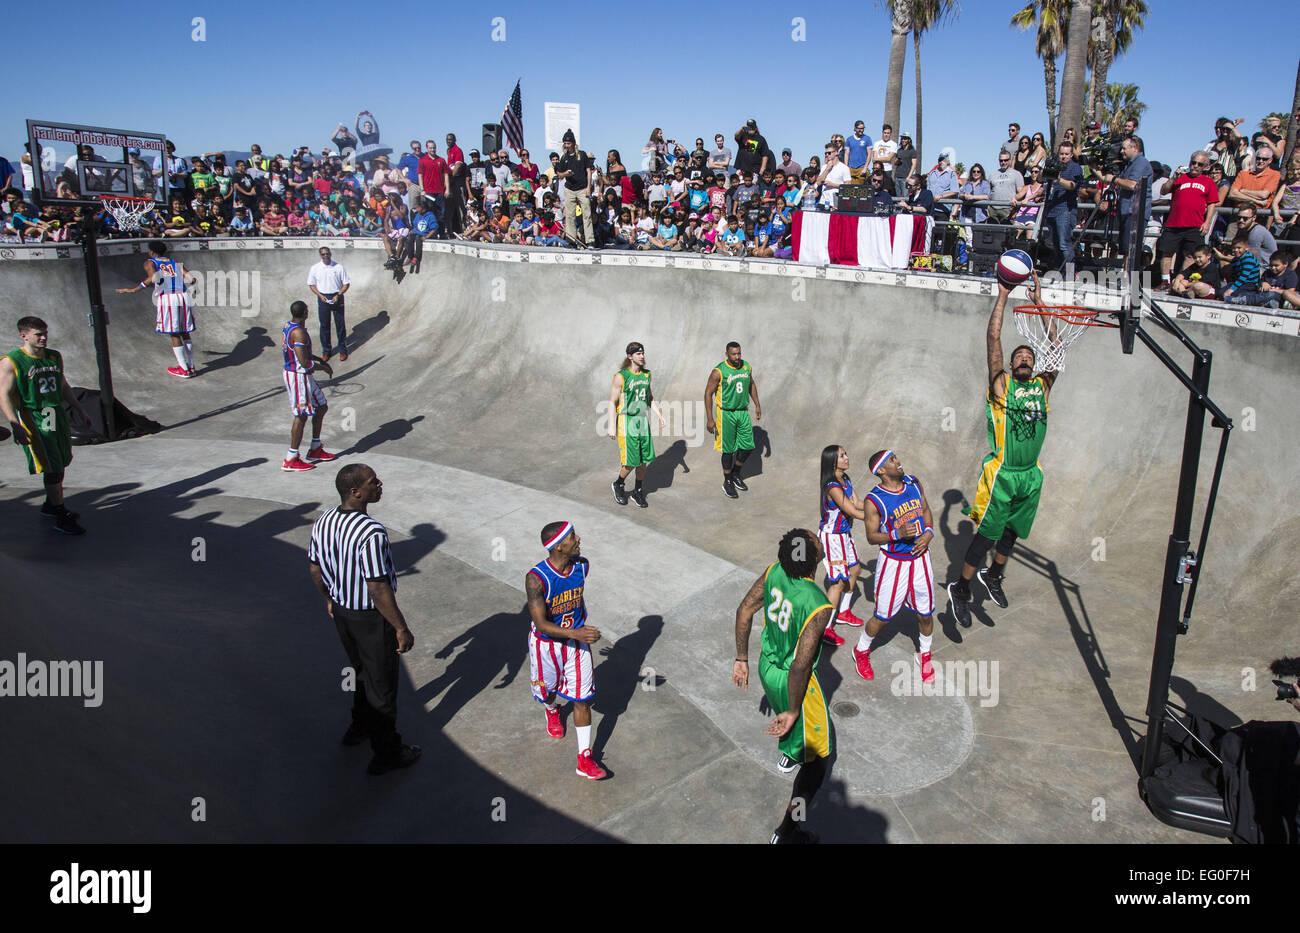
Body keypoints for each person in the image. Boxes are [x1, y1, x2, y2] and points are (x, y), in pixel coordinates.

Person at [948, 272, 1054, 628]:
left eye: (1028, 355)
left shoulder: (1043, 386)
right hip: (1002, 474)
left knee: (1013, 533)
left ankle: (993, 575)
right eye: (1018, 356)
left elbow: (1055, 348)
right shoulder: (1001, 387)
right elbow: (993, 338)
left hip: (1031, 475)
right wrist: (1004, 294)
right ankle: (960, 588)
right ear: (1010, 365)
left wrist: (1040, 304)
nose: (1024, 358)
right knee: (988, 535)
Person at [309, 464, 419, 775]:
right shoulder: (371, 532)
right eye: (373, 482)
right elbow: (377, 587)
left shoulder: (323, 521)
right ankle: (387, 752)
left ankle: (358, 727)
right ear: (356, 492)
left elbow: (315, 570)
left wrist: (330, 599)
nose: (380, 484)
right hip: (371, 619)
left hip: (342, 614)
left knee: (360, 672)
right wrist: (400, 628)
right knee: (382, 685)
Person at [731, 528, 835, 844]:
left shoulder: (774, 570)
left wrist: (741, 658)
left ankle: (789, 752)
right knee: (818, 764)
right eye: (814, 542)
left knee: (796, 737)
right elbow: (801, 664)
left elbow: (744, 610)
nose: (817, 539)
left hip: (766, 666)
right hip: (791, 680)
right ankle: (788, 831)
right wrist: (792, 709)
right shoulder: (817, 604)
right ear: (813, 559)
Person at [525, 521, 608, 780]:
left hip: (576, 645)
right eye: (573, 537)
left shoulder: (582, 566)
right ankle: (552, 709)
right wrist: (576, 632)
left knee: (582, 699)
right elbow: (541, 624)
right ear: (559, 546)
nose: (578, 539)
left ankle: (584, 757)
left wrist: (577, 635)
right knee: (546, 690)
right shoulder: (536, 578)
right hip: (546, 646)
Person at [1, 316, 91, 534]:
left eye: (45, 333)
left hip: (54, 414)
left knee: (62, 460)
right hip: (34, 418)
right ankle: (60, 514)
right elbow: (3, 395)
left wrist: (79, 409)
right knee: (52, 465)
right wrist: (15, 425)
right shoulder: (12, 361)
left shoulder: (54, 356)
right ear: (24, 336)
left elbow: (63, 384)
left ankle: (50, 504)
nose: (43, 338)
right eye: (38, 334)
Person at [854, 451, 936, 684]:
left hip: (920, 559)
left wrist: (929, 532)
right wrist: (896, 534)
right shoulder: (874, 500)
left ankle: (925, 654)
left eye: (897, 458)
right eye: (892, 460)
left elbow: (926, 511)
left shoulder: (913, 482)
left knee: (926, 613)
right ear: (880, 470)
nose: (898, 462)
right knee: (882, 617)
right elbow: (871, 537)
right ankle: (861, 650)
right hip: (894, 563)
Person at [115, 241, 198, 378]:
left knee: (174, 332)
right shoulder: (175, 263)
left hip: (169, 297)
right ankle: (191, 366)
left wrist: (134, 289)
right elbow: (192, 279)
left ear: (152, 252)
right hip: (183, 296)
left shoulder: (150, 262)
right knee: (185, 331)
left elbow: (153, 278)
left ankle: (183, 369)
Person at [817, 445, 868, 646]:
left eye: (846, 453)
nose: (847, 457)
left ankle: (843, 612)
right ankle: (825, 629)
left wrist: (881, 507)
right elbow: (852, 511)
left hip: (844, 534)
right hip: (832, 538)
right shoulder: (832, 486)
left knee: (855, 569)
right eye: (842, 456)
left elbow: (858, 502)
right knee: (838, 583)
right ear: (832, 462)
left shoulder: (845, 480)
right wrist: (878, 520)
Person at [280, 300, 338, 472]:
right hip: (298, 376)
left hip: (304, 376)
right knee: (301, 415)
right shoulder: (299, 333)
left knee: (321, 406)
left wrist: (318, 359)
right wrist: (323, 367)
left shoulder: (289, 326)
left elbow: (302, 353)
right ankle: (291, 458)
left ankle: (315, 448)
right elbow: (304, 362)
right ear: (305, 313)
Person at [608, 341, 665, 508]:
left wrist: (659, 414)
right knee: (631, 461)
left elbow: (650, 398)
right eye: (638, 354)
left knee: (644, 460)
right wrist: (611, 425)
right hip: (627, 420)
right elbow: (612, 402)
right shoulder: (621, 376)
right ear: (629, 356)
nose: (642, 356)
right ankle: (618, 483)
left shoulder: (647, 375)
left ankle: (638, 490)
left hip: (642, 420)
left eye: (643, 353)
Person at [1155, 152, 1221, 288]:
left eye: (1199, 164)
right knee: (1166, 252)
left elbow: (1212, 204)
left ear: (1206, 167)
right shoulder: (1181, 178)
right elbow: (1163, 191)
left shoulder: (1208, 182)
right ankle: (1165, 281)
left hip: (1195, 224)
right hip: (1174, 223)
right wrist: (1173, 178)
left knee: (1191, 255)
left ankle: (1181, 281)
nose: (1195, 166)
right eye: (1193, 162)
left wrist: (1207, 222)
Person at [705, 342, 761, 499]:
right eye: (733, 354)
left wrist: (757, 404)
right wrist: (710, 418)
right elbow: (707, 393)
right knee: (728, 450)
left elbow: (751, 384)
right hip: (726, 414)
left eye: (739, 354)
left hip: (742, 412)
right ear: (727, 354)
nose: (737, 357)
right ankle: (727, 481)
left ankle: (736, 473)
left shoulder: (746, 367)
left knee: (748, 446)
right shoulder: (719, 371)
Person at [1100, 135, 1153, 257]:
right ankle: (1126, 273)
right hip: (1125, 211)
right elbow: (1108, 180)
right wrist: (1095, 168)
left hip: (1134, 213)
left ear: (1134, 148)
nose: (1121, 151)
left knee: (1130, 250)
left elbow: (1133, 185)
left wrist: (1114, 179)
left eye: (1124, 148)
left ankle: (1128, 275)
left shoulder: (1141, 163)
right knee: (1125, 249)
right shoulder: (1129, 164)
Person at [1042, 141, 1083, 271]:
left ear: (1071, 155)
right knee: (1054, 244)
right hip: (1052, 209)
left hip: (1065, 210)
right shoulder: (1056, 164)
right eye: (1061, 154)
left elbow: (1072, 186)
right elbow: (1039, 178)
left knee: (1064, 243)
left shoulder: (1074, 167)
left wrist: (1058, 179)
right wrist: (1046, 168)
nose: (1063, 157)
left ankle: (1070, 273)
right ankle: (1059, 270)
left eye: (1066, 154)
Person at [307, 246, 351, 362]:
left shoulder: (338, 267)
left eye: (327, 254)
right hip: (323, 298)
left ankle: (343, 350)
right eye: (323, 254)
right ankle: (326, 351)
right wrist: (320, 295)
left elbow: (346, 284)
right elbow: (311, 284)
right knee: (324, 326)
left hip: (337, 297)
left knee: (340, 325)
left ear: (330, 254)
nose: (325, 256)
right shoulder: (315, 268)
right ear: (320, 255)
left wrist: (339, 294)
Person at [556, 130, 594, 246]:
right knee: (570, 215)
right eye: (565, 143)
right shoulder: (564, 157)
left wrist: (589, 187)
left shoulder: (582, 155)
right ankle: (571, 239)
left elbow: (588, 171)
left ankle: (590, 240)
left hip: (582, 188)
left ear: (573, 143)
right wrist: (566, 174)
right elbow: (559, 174)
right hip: (569, 188)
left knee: (586, 214)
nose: (567, 145)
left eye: (568, 143)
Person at [844, 120, 873, 185]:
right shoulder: (849, 139)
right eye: (860, 128)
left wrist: (865, 167)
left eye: (863, 128)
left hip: (861, 167)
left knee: (859, 189)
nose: (861, 130)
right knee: (849, 188)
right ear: (855, 128)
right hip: (850, 167)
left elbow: (870, 154)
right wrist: (846, 167)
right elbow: (846, 154)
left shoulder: (867, 139)